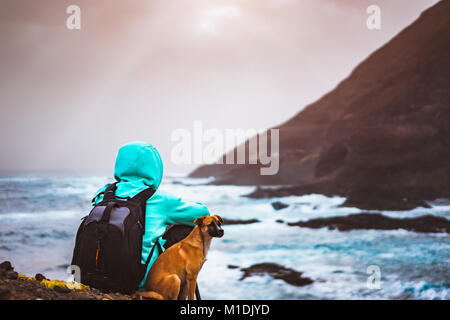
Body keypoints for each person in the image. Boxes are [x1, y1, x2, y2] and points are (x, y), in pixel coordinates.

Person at [91, 141, 210, 289]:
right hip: (139, 280)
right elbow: (204, 215)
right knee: (185, 230)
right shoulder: (159, 198)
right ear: (155, 168)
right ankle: (177, 292)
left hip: (96, 276)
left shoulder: (103, 193)